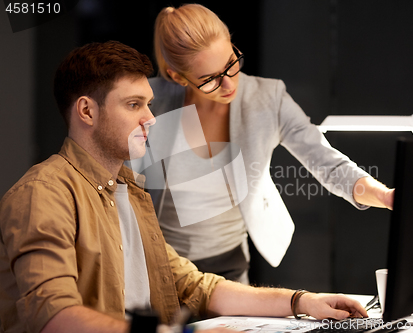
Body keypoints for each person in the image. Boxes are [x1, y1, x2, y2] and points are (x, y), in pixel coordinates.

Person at [0, 40, 368, 333]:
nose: (150, 118)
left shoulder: (129, 191)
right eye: (133, 105)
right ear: (86, 111)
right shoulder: (43, 194)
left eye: (148, 104)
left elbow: (194, 285)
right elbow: (53, 317)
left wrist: (303, 302)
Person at [147, 4, 394, 283]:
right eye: (210, 79)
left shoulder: (266, 98)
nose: (229, 85)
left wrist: (384, 196)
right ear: (177, 76)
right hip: (162, 265)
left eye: (231, 64)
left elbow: (327, 162)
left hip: (230, 266)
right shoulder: (150, 101)